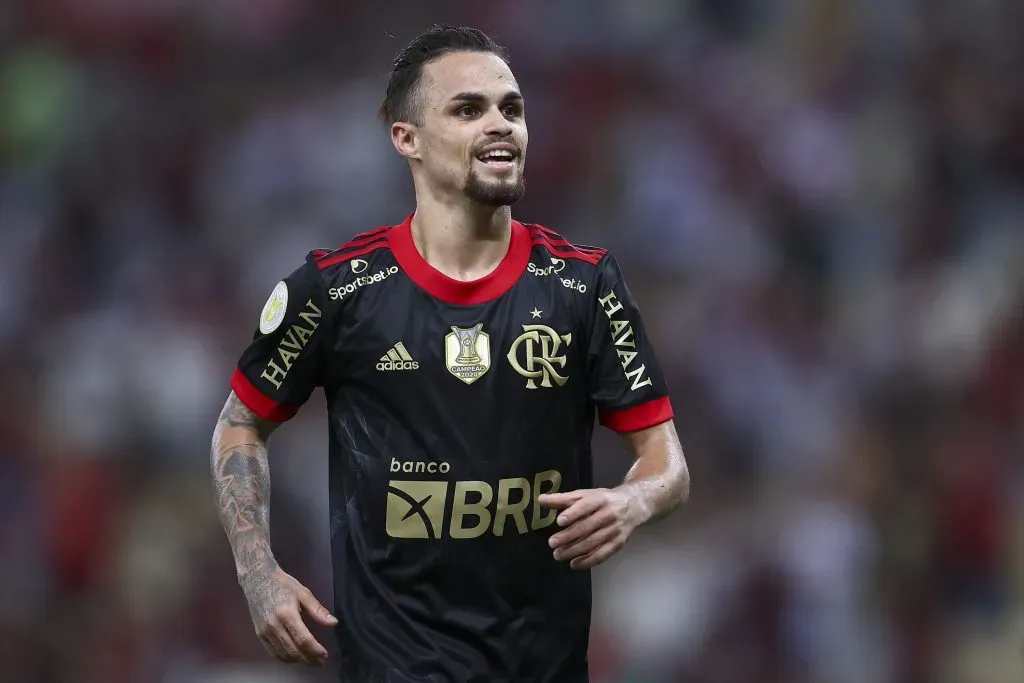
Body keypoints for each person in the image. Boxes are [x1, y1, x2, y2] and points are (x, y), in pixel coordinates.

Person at [211, 24, 690, 683]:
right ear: (406, 139)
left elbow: (666, 462)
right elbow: (240, 422)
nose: (501, 124)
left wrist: (631, 502)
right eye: (468, 109)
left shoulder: (585, 285)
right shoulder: (336, 290)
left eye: (512, 108)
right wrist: (258, 571)